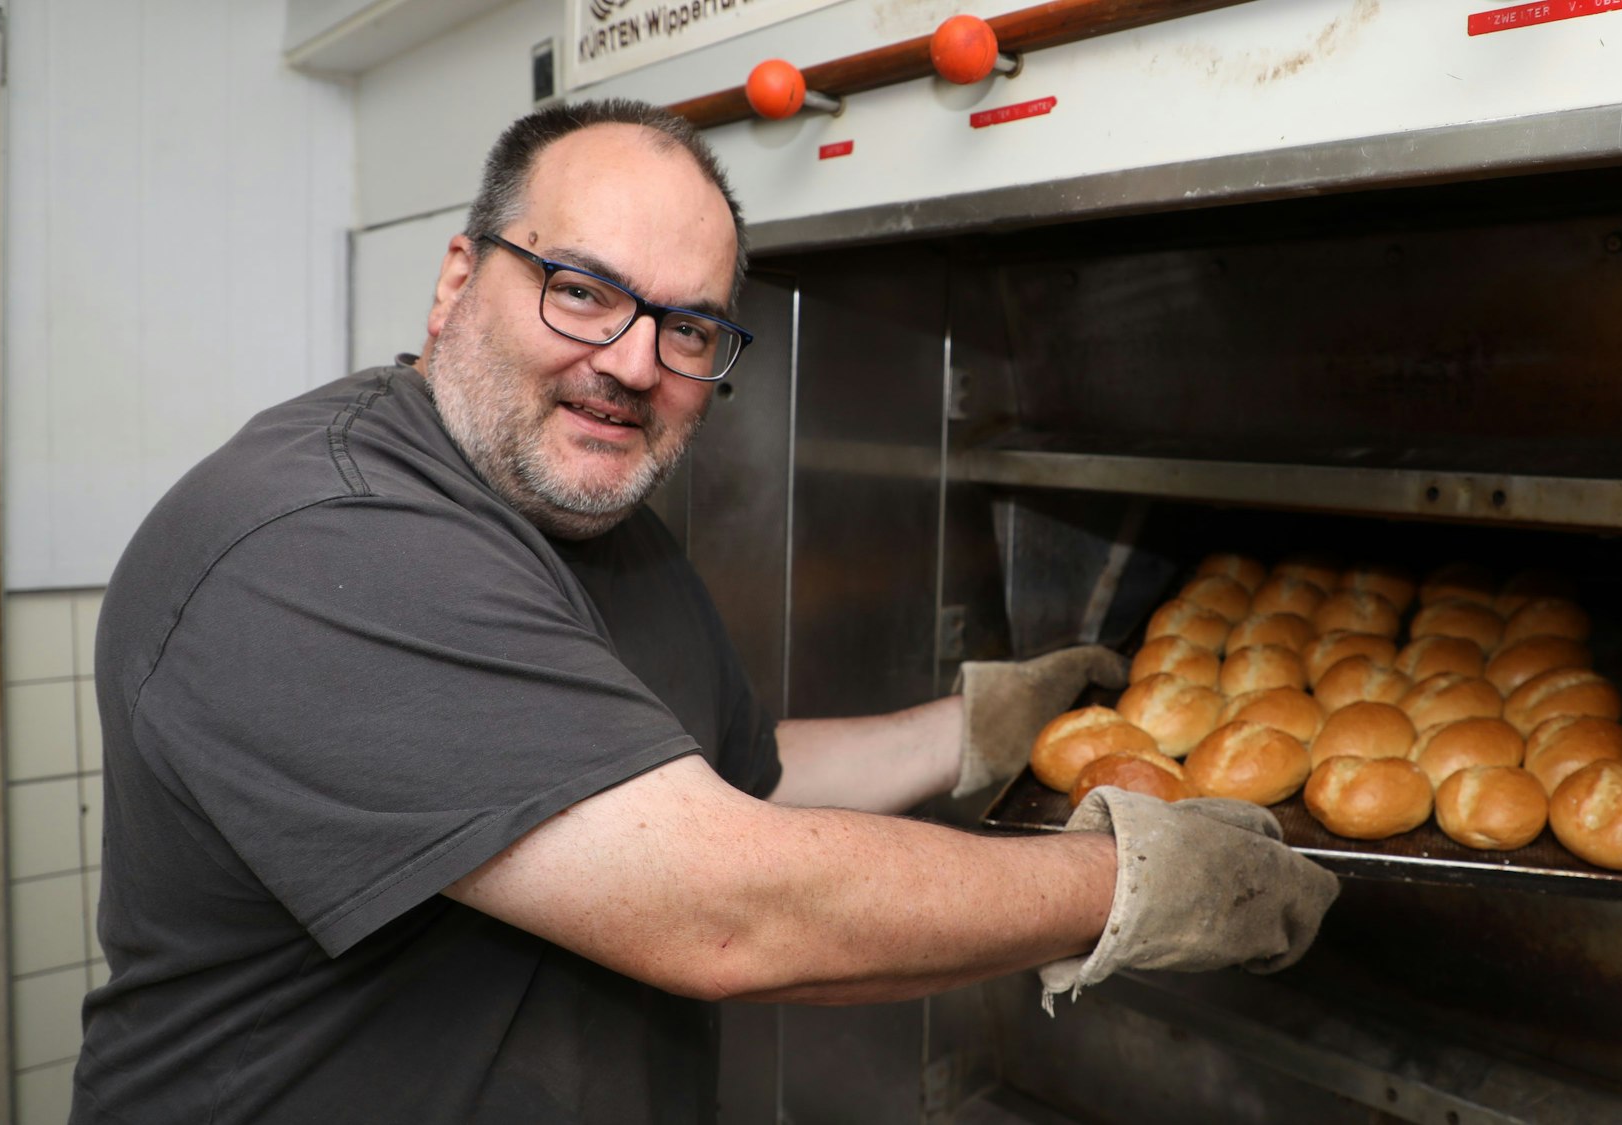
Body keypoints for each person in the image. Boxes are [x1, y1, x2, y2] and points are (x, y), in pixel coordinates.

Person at [69, 99, 1336, 1124]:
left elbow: (731, 791)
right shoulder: (319, 541)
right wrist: (1131, 882)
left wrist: (972, 731)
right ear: (458, 279)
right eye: (579, 287)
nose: (632, 361)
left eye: (687, 328)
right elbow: (725, 904)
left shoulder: (598, 525)